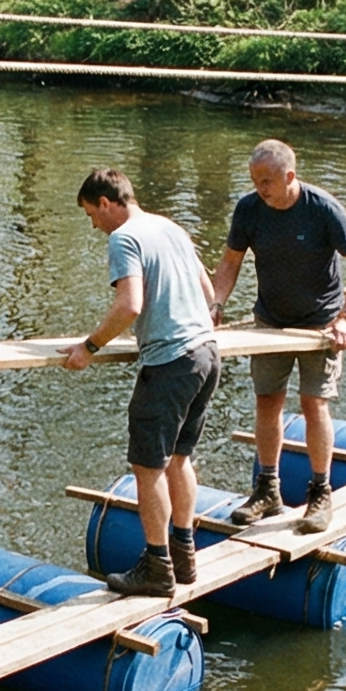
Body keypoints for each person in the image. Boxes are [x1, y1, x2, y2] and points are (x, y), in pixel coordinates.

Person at [62, 169, 219, 596]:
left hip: (170, 363)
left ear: (107, 202)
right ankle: (184, 557)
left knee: (147, 468)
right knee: (179, 459)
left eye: (91, 214)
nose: (93, 225)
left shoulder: (124, 238)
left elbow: (130, 305)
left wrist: (89, 347)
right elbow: (209, 293)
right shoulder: (171, 227)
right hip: (207, 354)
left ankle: (157, 567)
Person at [208, 141, 346, 534]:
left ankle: (320, 493)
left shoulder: (322, 209)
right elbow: (231, 261)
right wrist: (215, 303)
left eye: (266, 181)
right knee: (267, 402)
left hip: (320, 325)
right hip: (270, 321)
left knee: (313, 404)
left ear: (289, 177)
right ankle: (267, 489)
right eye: (254, 181)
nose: (260, 189)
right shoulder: (249, 209)